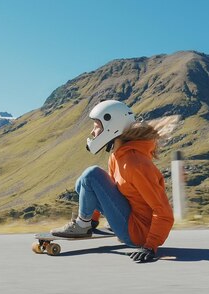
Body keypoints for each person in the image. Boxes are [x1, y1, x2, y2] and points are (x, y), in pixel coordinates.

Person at [51, 100, 174, 262]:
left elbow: (164, 212)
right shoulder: (117, 155)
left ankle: (82, 226)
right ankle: (89, 223)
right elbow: (109, 189)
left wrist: (150, 246)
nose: (93, 131)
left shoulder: (135, 164)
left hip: (138, 233)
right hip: (129, 220)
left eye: (97, 126)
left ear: (112, 126)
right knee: (82, 183)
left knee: (92, 174)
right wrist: (93, 218)